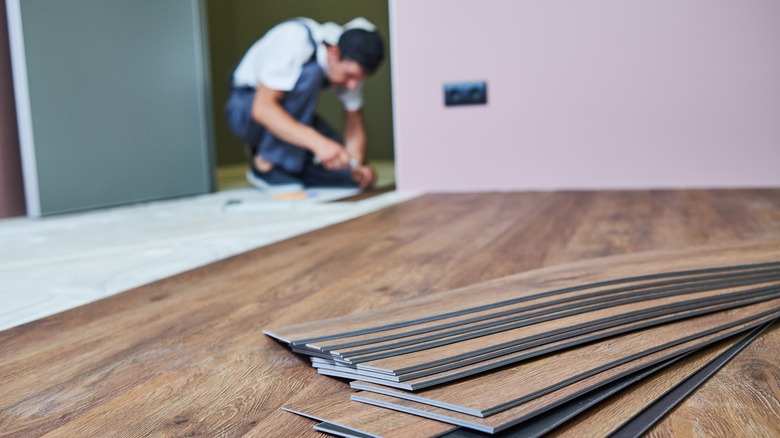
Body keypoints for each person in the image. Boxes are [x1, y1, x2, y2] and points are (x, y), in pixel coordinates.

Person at [225, 17, 385, 193]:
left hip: (293, 117)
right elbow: (262, 108)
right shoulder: (294, 40)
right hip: (246, 110)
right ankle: (264, 163)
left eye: (359, 79)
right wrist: (319, 144)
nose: (352, 85)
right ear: (334, 53)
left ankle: (288, 167)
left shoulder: (351, 68)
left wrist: (356, 166)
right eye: (350, 76)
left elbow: (354, 124)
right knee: (311, 74)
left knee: (344, 170)